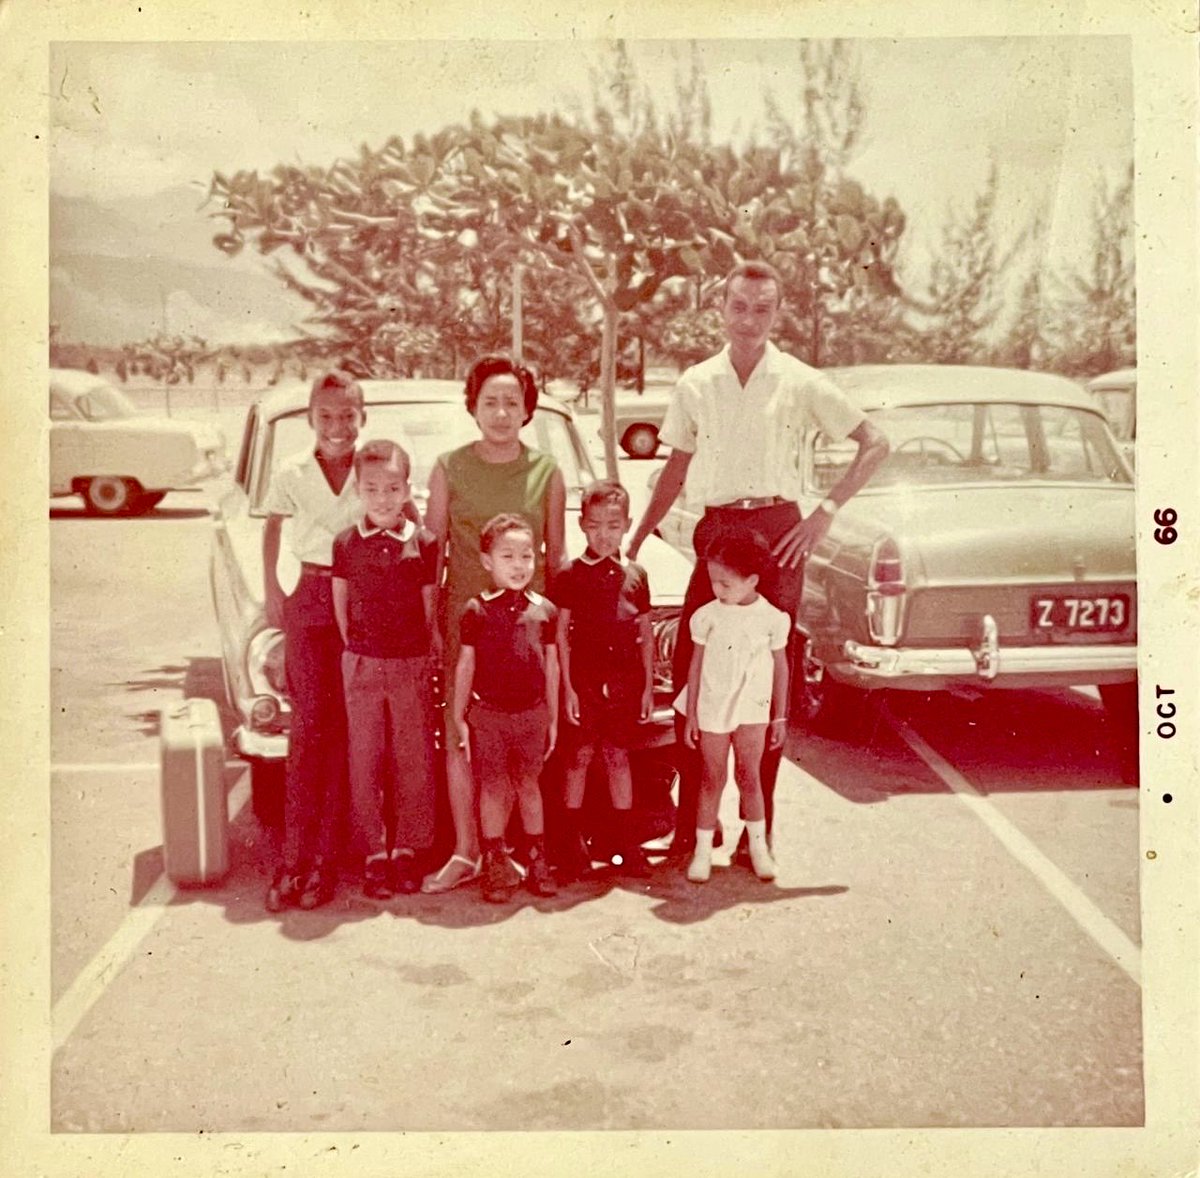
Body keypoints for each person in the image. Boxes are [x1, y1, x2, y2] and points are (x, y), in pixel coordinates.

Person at [627, 261, 890, 861]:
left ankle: (757, 833)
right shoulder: (696, 382)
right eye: (739, 306)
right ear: (720, 307)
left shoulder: (801, 381)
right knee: (698, 674)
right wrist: (641, 533)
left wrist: (822, 512)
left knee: (766, 687)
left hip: (778, 531)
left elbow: (875, 442)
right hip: (718, 528)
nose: (749, 320)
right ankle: (694, 830)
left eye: (762, 309)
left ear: (777, 313)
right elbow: (676, 465)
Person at [421, 355, 566, 894]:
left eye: (513, 402)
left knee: (524, 742)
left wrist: (555, 638)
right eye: (491, 402)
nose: (502, 413)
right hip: (468, 624)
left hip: (527, 633)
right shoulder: (448, 467)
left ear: (528, 409)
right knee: (462, 735)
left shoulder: (547, 472)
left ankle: (519, 853)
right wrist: (432, 623)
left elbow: (554, 558)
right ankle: (467, 851)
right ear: (473, 407)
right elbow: (432, 554)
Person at [262, 370, 366, 912]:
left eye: (347, 415)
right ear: (310, 419)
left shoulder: (374, 468)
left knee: (347, 733)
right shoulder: (292, 471)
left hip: (361, 601)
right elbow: (273, 527)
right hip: (309, 597)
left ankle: (325, 862)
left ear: (362, 418)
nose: (337, 426)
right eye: (326, 416)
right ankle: (292, 860)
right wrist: (273, 592)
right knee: (307, 732)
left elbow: (409, 520)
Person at [331, 440, 438, 900]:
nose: (383, 498)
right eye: (372, 488)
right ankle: (374, 850)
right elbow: (341, 605)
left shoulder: (424, 542)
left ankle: (409, 850)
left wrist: (419, 654)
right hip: (363, 662)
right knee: (365, 759)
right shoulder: (346, 543)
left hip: (410, 664)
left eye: (393, 487)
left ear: (407, 489)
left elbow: (429, 607)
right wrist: (357, 650)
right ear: (358, 490)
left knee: (413, 760)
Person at [551, 480, 653, 880]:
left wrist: (646, 687)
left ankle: (627, 844)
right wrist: (569, 689)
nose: (604, 534)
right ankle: (571, 846)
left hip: (625, 681)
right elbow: (560, 634)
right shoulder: (570, 575)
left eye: (613, 525)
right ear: (582, 526)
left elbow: (644, 632)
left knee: (617, 756)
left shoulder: (636, 575)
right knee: (578, 759)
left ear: (627, 525)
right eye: (595, 525)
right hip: (584, 681)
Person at [455, 514, 560, 903]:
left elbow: (552, 665)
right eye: (508, 556)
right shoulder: (476, 610)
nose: (519, 565)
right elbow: (466, 665)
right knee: (494, 787)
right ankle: (495, 860)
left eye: (526, 556)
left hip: (531, 715)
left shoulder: (543, 610)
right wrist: (459, 717)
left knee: (529, 786)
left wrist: (551, 716)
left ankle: (537, 858)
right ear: (487, 562)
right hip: (489, 716)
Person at [678, 533, 790, 883]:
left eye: (725, 583)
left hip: (752, 709)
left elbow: (781, 668)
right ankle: (701, 852)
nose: (717, 589)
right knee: (712, 778)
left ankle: (758, 847)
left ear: (752, 580)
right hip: (713, 704)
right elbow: (695, 666)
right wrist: (692, 713)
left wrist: (780, 715)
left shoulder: (773, 619)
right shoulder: (706, 616)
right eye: (713, 581)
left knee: (749, 776)